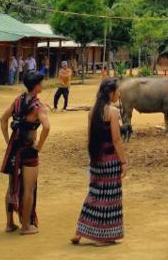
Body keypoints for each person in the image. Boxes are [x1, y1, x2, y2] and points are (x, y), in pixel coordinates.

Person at [71, 79, 128, 246]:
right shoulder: (113, 111)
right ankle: (102, 238)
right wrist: (123, 161)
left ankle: (79, 232)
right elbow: (116, 140)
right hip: (110, 160)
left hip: (96, 158)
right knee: (109, 196)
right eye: (118, 91)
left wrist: (92, 158)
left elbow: (90, 138)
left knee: (94, 194)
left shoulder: (93, 111)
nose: (119, 94)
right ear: (111, 93)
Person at [0, 71, 50, 235]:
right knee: (28, 188)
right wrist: (39, 146)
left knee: (12, 186)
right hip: (29, 149)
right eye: (41, 83)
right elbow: (47, 127)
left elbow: (3, 119)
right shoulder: (38, 107)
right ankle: (26, 226)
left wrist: (8, 141)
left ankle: (9, 223)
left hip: (15, 148)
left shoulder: (18, 101)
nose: (42, 85)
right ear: (36, 86)